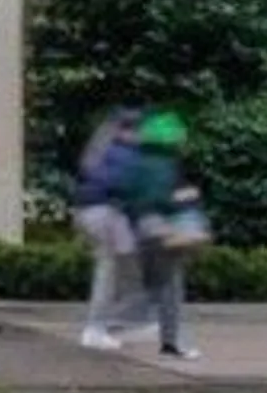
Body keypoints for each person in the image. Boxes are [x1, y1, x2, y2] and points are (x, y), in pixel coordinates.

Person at [110, 109, 209, 362]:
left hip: (136, 228)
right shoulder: (164, 165)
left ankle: (123, 326)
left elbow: (126, 196)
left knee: (152, 282)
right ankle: (167, 340)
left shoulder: (137, 163)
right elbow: (159, 198)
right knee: (168, 285)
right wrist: (182, 203)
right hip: (159, 227)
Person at [70, 105, 146, 349]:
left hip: (93, 211)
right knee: (110, 267)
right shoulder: (125, 153)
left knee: (126, 263)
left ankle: (117, 320)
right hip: (107, 213)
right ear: (129, 131)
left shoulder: (103, 149)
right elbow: (125, 185)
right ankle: (98, 328)